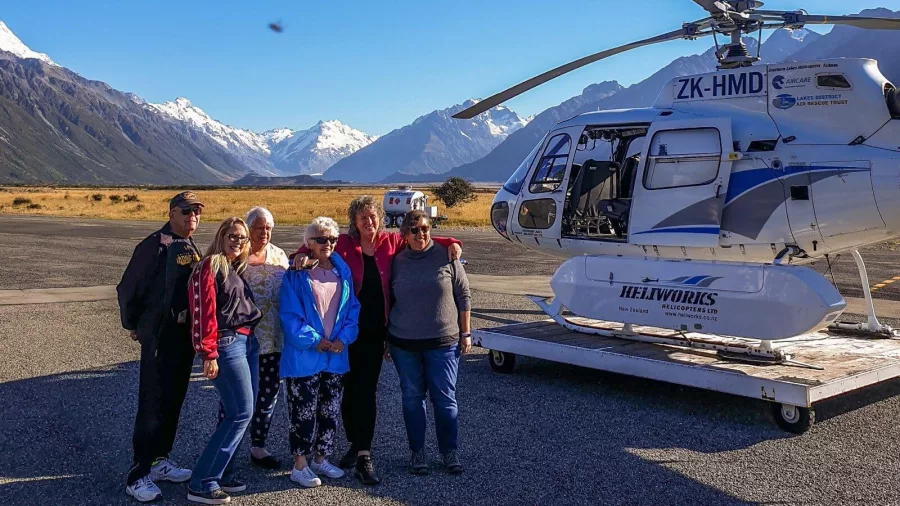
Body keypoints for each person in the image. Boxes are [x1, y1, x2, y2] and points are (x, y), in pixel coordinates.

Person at [292, 195, 462, 485]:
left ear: (380, 219)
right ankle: (352, 443)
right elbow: (316, 244)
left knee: (367, 389)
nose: (369, 222)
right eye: (363, 218)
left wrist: (451, 242)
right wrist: (299, 254)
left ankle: (364, 454)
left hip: (374, 331)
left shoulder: (390, 243)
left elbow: (421, 236)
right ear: (354, 222)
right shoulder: (343, 244)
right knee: (345, 388)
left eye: (373, 217)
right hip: (343, 330)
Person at [117, 191, 204, 503]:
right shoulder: (155, 245)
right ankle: (137, 474)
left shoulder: (190, 244)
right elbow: (128, 288)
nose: (191, 216)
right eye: (185, 211)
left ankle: (159, 461)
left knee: (173, 400)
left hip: (182, 339)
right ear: (171, 213)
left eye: (196, 212)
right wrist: (133, 325)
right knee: (152, 404)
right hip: (159, 336)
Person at [388, 210, 471, 475]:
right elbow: (387, 298)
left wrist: (466, 333)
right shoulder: (396, 261)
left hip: (443, 342)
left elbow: (464, 294)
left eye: (425, 228)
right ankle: (417, 453)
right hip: (404, 343)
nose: (421, 234)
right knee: (412, 399)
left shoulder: (446, 255)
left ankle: (450, 452)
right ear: (404, 234)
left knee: (445, 399)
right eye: (414, 230)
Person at [280, 217, 360, 488]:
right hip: (305, 355)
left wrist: (343, 338)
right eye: (322, 239)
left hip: (335, 355)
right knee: (302, 410)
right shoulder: (296, 274)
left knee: (330, 409)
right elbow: (289, 315)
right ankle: (299, 464)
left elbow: (352, 309)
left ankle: (320, 457)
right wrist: (314, 340)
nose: (328, 244)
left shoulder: (342, 272)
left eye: (332, 239)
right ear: (308, 243)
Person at [187, 217, 262, 505]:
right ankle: (203, 481)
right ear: (221, 236)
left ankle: (222, 470)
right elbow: (204, 310)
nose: (237, 241)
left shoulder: (234, 268)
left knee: (243, 411)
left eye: (242, 238)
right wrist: (208, 353)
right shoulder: (211, 265)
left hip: (246, 341)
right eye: (232, 235)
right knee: (240, 412)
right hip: (226, 343)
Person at [243, 206, 290, 470]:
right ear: (249, 229)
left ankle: (258, 447)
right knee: (240, 397)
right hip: (245, 342)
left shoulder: (279, 255)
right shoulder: (237, 255)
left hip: (275, 339)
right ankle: (228, 450)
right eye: (259, 227)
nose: (264, 232)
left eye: (268, 228)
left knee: (269, 394)